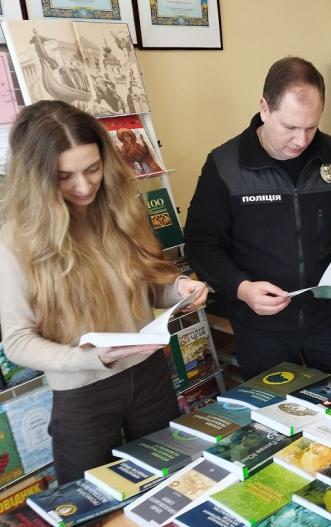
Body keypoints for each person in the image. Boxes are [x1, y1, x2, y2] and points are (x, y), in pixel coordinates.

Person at [0, 100, 208, 484]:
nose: (84, 187)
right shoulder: (15, 240)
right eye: (64, 176)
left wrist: (179, 288)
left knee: (172, 485)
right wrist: (89, 358)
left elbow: (151, 284)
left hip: (149, 376)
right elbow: (17, 342)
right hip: (83, 394)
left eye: (93, 169)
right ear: (36, 177)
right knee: (87, 501)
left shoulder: (118, 210)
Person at [184, 56, 331, 385]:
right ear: (264, 108)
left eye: (311, 126)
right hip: (260, 323)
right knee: (274, 410)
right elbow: (201, 244)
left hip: (328, 316)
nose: (301, 140)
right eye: (289, 127)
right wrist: (240, 288)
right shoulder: (225, 165)